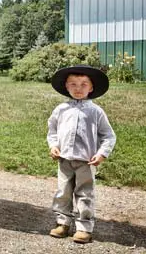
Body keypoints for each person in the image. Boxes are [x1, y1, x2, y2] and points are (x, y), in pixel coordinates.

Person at [47, 65, 116, 244]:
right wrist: (54, 145)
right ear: (66, 87)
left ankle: (84, 227)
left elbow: (108, 135)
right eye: (73, 84)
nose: (78, 88)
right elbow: (52, 130)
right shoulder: (61, 109)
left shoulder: (96, 112)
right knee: (63, 191)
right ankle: (62, 223)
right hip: (64, 159)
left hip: (86, 161)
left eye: (84, 84)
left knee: (85, 193)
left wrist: (102, 153)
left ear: (91, 88)